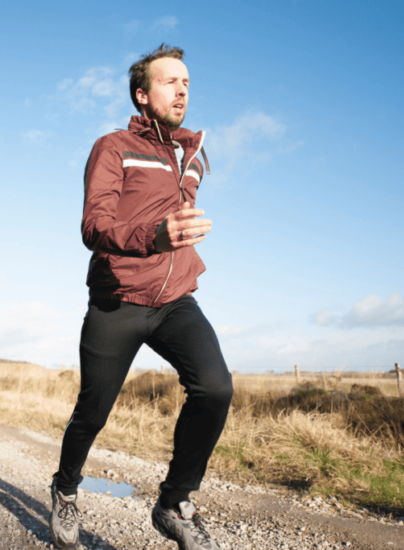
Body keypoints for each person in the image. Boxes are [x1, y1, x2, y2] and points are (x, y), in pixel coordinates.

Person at [49, 44, 233, 550]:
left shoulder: (193, 156)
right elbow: (95, 224)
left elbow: (178, 220)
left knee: (215, 388)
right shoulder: (113, 147)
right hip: (118, 298)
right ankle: (65, 489)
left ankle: (174, 502)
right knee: (94, 409)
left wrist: (177, 236)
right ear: (142, 93)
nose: (182, 90)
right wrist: (155, 234)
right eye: (170, 81)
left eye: (188, 83)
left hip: (175, 298)